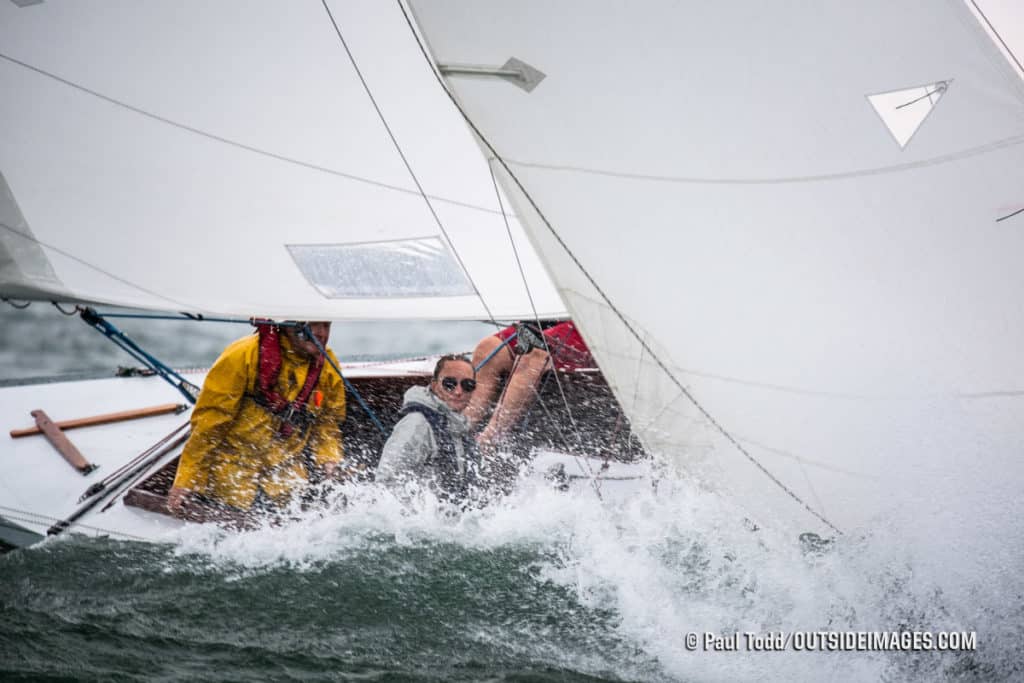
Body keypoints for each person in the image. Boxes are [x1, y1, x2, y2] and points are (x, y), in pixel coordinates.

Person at [167, 321, 346, 524]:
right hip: (233, 482)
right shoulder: (242, 355)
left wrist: (330, 460)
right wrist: (186, 481)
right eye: (313, 326)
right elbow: (209, 425)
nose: (321, 334)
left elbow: (327, 424)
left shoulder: (327, 365)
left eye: (326, 326)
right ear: (289, 326)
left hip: (286, 486)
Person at [466, 320, 594, 452]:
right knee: (487, 348)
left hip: (593, 326)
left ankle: (489, 441)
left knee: (533, 350)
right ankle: (463, 427)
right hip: (554, 320)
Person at [376, 354, 478, 502]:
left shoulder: (459, 426)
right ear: (435, 385)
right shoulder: (416, 424)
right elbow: (386, 483)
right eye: (450, 384)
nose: (458, 391)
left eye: (467, 385)